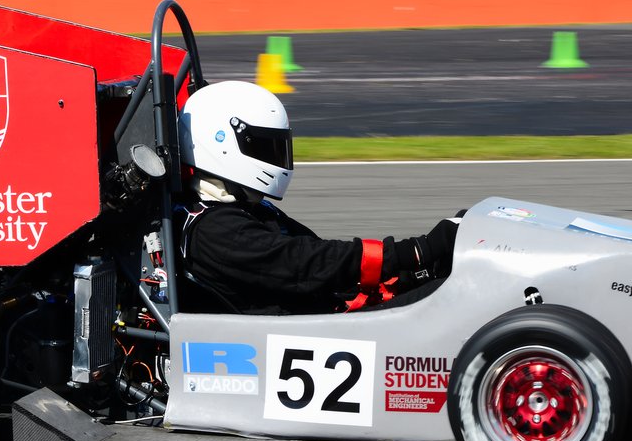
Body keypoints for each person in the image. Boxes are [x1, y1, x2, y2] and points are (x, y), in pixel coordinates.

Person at [173, 81, 458, 315]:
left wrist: (413, 268)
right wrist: (416, 250)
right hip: (302, 335)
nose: (276, 156)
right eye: (265, 146)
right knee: (460, 300)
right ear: (219, 143)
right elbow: (309, 263)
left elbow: (319, 259)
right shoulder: (215, 231)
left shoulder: (246, 208)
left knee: (452, 274)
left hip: (325, 313)